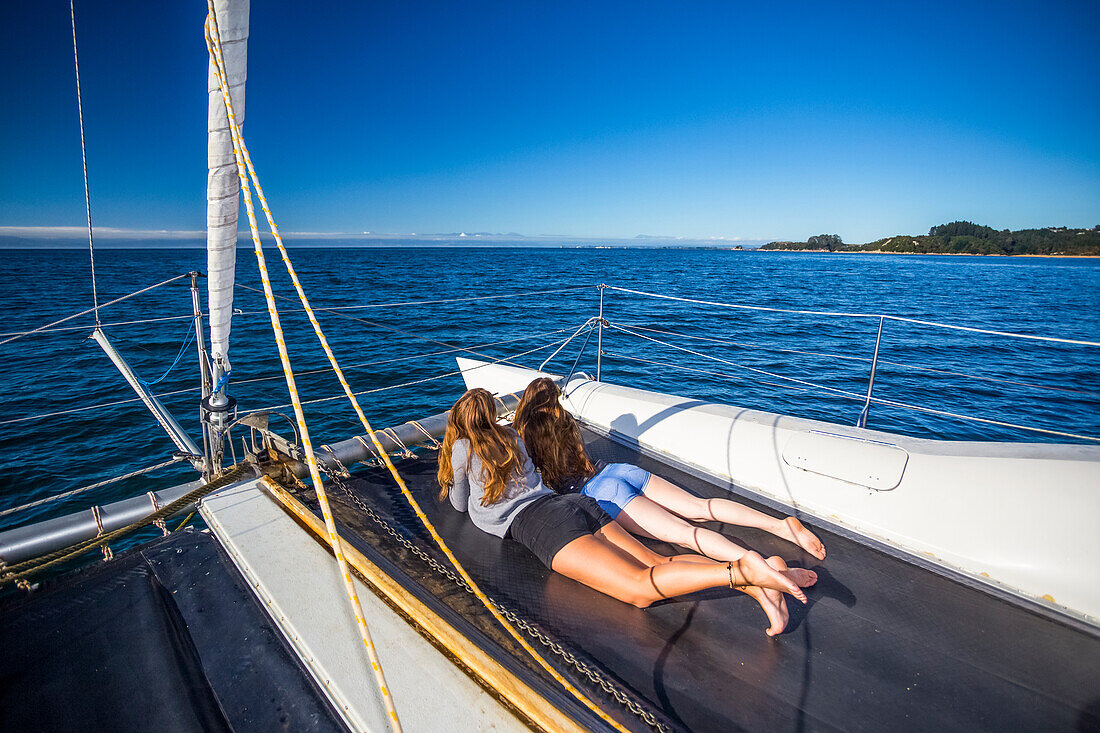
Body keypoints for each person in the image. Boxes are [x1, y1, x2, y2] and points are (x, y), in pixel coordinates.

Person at [438, 388, 815, 632]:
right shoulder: (511, 438)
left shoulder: (463, 449)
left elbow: (458, 503)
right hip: (573, 504)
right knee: (657, 561)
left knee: (639, 589)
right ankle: (759, 584)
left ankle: (739, 571)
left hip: (541, 524)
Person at [513, 377, 827, 565]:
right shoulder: (566, 420)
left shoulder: (526, 434)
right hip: (615, 472)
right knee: (700, 508)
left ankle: (752, 564)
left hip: (600, 494)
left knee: (684, 534)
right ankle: (781, 526)